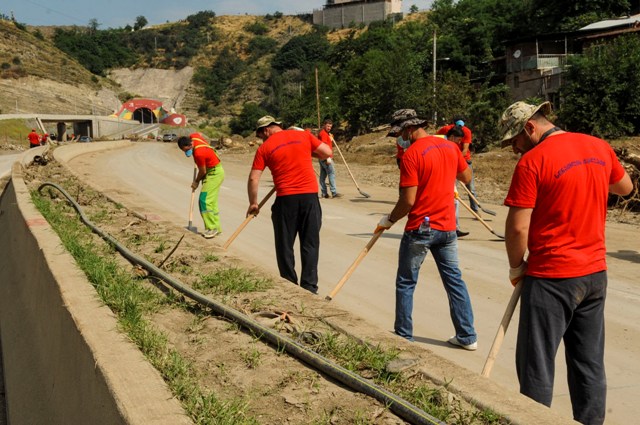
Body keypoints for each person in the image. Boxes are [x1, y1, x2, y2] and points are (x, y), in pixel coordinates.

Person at [499, 101, 633, 425]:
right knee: (588, 364)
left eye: (513, 141)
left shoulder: (533, 162)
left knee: (537, 365)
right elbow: (626, 187)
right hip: (594, 275)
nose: (514, 149)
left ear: (529, 128)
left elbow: (517, 227)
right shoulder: (597, 146)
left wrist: (517, 268)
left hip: (551, 277)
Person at [378, 109, 477, 349]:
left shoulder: (412, 155)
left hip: (421, 229)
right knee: (454, 280)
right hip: (447, 228)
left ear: (409, 129)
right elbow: (466, 176)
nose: (400, 138)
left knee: (406, 282)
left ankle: (404, 337)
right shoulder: (450, 147)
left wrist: (389, 219)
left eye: (400, 133)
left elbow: (408, 200)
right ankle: (467, 336)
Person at [248, 116, 332, 294]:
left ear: (266, 130)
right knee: (310, 243)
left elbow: (254, 178)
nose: (261, 139)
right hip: (310, 197)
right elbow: (326, 152)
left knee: (284, 244)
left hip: (286, 199)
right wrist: (307, 152)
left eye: (261, 135)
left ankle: (289, 284)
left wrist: (253, 203)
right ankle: (309, 287)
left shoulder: (265, 148)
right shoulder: (303, 136)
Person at [177, 133, 225, 239]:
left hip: (214, 174)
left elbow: (202, 171)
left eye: (186, 150)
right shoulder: (194, 137)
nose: (186, 152)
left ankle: (211, 228)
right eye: (183, 151)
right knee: (211, 202)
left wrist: (196, 182)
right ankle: (217, 228)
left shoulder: (199, 153)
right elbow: (196, 133)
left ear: (190, 145)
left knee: (204, 200)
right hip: (214, 171)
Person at [437, 116, 479, 214]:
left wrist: (455, 159)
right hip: (449, 160)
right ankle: (447, 211)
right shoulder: (446, 130)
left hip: (463, 160)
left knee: (470, 187)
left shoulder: (467, 131)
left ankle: (475, 209)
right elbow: (437, 138)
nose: (459, 142)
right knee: (451, 188)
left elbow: (464, 150)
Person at [445, 126, 470, 238]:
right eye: (458, 140)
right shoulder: (442, 142)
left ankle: (455, 228)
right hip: (441, 177)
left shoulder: (452, 146)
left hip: (451, 176)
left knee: (455, 202)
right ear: (451, 137)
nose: (459, 143)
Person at [317, 118, 342, 199]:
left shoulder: (326, 133)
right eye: (328, 126)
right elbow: (324, 146)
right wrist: (327, 157)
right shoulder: (323, 134)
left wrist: (330, 139)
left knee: (322, 176)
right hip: (325, 157)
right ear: (324, 125)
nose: (329, 128)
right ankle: (334, 192)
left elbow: (327, 143)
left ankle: (324, 193)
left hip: (321, 157)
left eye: (330, 127)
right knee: (331, 174)